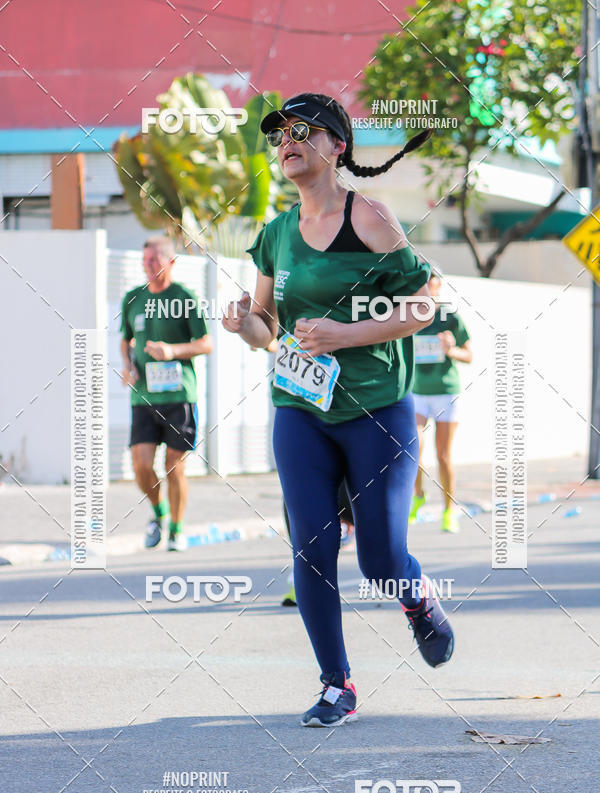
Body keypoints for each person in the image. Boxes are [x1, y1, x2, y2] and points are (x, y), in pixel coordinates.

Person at [223, 93, 454, 727]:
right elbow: (268, 327)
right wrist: (245, 325)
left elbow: (423, 305)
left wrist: (345, 334)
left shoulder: (370, 218)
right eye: (279, 134)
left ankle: (416, 599)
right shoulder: (275, 233)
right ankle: (337, 685)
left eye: (302, 130)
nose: (287, 142)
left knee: (380, 561)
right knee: (311, 547)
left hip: (376, 408)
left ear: (337, 145)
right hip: (300, 406)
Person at [120, 236, 213, 551]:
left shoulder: (185, 297)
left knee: (175, 465)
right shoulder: (133, 298)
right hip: (143, 396)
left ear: (171, 262)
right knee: (141, 464)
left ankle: (176, 529)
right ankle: (159, 513)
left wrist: (172, 351)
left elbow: (206, 343)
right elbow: (125, 339)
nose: (147, 266)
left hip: (178, 396)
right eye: (144, 260)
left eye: (154, 260)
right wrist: (127, 366)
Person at [409, 266, 472, 533]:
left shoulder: (449, 317)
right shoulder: (408, 316)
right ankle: (418, 496)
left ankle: (449, 510)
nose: (426, 286)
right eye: (421, 281)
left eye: (431, 281)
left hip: (445, 392)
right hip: (418, 391)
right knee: (412, 447)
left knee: (443, 455)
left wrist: (451, 350)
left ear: (438, 285)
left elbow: (469, 355)